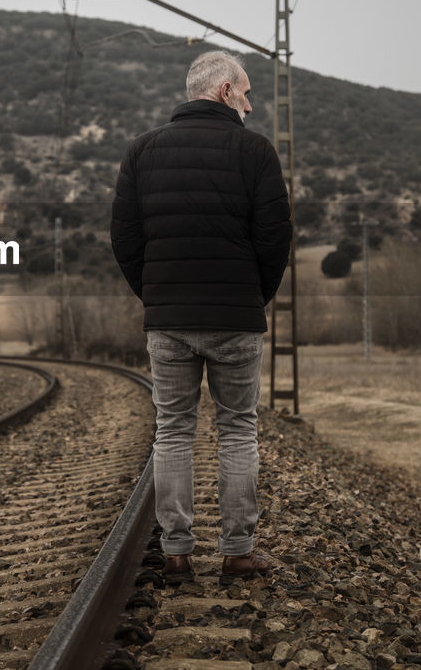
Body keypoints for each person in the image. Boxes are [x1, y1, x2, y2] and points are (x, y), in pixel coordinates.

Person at [110, 49, 292, 585]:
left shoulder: (142, 152)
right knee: (238, 432)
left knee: (173, 431)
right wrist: (251, 297)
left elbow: (125, 239)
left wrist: (156, 296)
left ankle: (177, 554)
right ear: (222, 91)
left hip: (169, 320)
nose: (251, 105)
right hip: (235, 316)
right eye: (247, 92)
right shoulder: (255, 152)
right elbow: (274, 238)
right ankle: (237, 554)